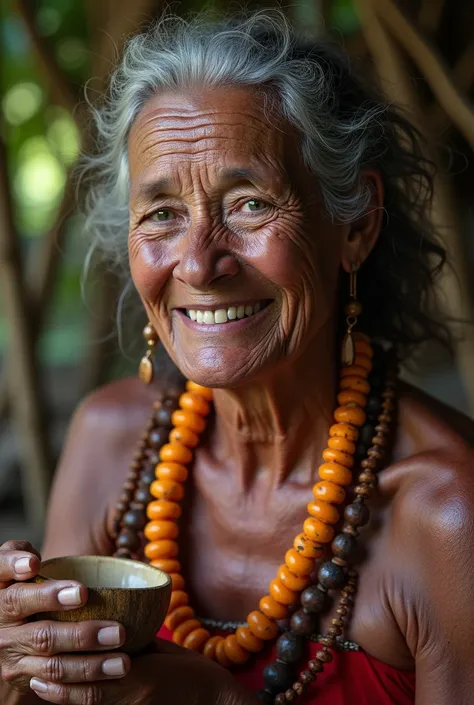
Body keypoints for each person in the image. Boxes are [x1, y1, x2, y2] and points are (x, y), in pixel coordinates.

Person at [1, 10, 474, 705]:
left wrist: (211, 697)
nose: (197, 262)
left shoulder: (446, 510)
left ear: (356, 225)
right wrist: (22, 673)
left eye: (250, 204)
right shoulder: (111, 443)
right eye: (162, 213)